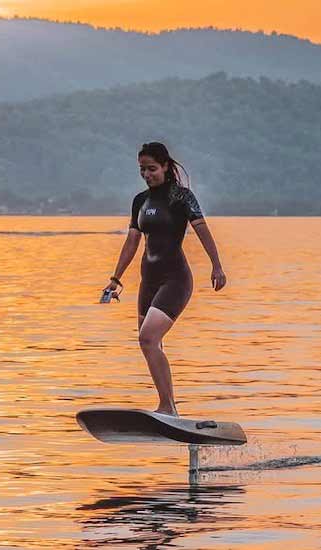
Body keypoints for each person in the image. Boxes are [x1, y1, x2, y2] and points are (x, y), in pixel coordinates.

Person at [102, 142, 227, 417]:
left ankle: (167, 407)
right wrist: (115, 278)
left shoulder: (181, 197)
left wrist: (217, 266)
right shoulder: (140, 201)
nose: (146, 175)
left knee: (148, 338)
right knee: (150, 343)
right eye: (142, 170)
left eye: (152, 169)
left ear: (166, 166)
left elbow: (203, 230)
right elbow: (132, 242)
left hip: (175, 279)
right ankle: (169, 407)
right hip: (148, 281)